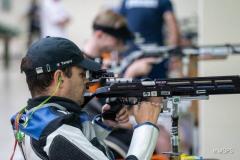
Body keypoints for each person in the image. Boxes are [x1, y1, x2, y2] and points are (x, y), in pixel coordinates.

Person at [10, 37, 162, 160]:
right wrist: (146, 126)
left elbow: (77, 147)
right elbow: (68, 142)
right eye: (82, 75)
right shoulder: (58, 132)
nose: (86, 82)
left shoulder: (34, 117)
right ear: (60, 78)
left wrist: (103, 125)